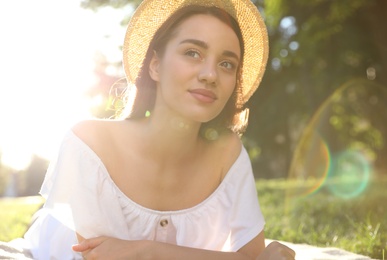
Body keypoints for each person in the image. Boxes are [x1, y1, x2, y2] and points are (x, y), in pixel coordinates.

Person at [18, 0, 296, 259]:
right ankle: (41, 214)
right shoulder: (88, 143)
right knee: (46, 220)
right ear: (154, 66)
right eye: (192, 53)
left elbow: (252, 256)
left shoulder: (228, 153)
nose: (210, 75)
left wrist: (150, 250)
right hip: (55, 239)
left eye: (226, 64)